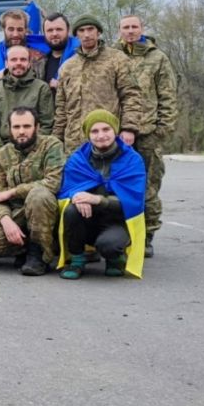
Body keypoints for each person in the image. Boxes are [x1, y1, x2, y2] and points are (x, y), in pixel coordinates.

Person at [57, 110, 147, 279]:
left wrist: (97, 199)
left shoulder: (133, 160)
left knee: (108, 245)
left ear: (115, 131)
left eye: (106, 129)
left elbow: (133, 202)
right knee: (70, 211)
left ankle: (115, 257)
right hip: (88, 218)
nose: (101, 135)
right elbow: (67, 190)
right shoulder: (77, 160)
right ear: (88, 135)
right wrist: (76, 196)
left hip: (118, 220)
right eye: (94, 131)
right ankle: (76, 260)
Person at [115, 14, 177, 258]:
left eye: (134, 27)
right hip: (116, 133)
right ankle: (122, 234)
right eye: (125, 27)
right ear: (119, 30)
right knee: (117, 185)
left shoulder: (157, 58)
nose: (130, 31)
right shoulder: (114, 55)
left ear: (142, 29)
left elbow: (168, 96)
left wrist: (163, 129)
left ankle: (147, 235)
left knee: (148, 186)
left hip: (148, 132)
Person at [0, 108, 65, 275]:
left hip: (48, 212)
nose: (21, 131)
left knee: (38, 195)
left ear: (37, 127)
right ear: (9, 129)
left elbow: (53, 182)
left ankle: (38, 255)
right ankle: (23, 250)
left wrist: (13, 192)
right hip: (19, 213)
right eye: (16, 127)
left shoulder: (51, 145)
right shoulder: (2, 155)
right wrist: (5, 219)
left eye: (27, 126)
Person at [53, 15, 144, 152]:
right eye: (82, 31)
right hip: (74, 144)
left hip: (108, 140)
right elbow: (61, 108)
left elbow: (131, 95)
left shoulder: (117, 60)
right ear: (76, 35)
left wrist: (129, 128)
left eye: (91, 29)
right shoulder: (67, 67)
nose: (87, 34)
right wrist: (57, 139)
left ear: (98, 32)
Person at [0, 45, 54, 150]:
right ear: (6, 63)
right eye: (13, 59)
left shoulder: (41, 88)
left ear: (29, 63)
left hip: (34, 149)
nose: (18, 63)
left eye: (23, 59)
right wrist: (0, 150)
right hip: (2, 149)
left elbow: (47, 124)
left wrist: (33, 149)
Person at [33, 13, 77, 90]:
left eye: (59, 29)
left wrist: (61, 86)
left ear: (68, 30)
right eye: (50, 30)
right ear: (44, 33)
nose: (54, 34)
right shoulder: (38, 62)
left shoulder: (80, 58)